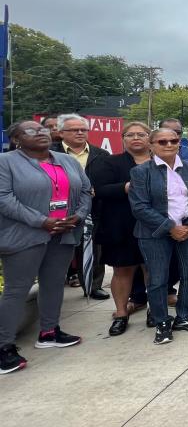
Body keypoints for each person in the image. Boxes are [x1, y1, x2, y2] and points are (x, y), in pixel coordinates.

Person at [1, 121, 90, 375]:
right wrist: (42, 221)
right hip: (26, 235)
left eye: (41, 130)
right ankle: (3, 345)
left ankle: (50, 331)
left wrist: (78, 216)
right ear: (17, 138)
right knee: (17, 290)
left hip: (63, 232)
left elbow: (85, 190)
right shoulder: (6, 162)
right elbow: (4, 198)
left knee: (53, 283)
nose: (39, 133)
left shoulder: (66, 160)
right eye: (30, 131)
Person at [129, 128, 188, 345]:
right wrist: (170, 227)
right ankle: (161, 320)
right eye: (162, 141)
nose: (169, 145)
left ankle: (185, 315)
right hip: (155, 233)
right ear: (151, 145)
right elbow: (139, 207)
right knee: (158, 279)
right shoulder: (141, 172)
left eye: (174, 140)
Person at [88, 121, 152, 336]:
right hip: (120, 225)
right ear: (123, 139)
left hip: (155, 225)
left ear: (149, 138)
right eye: (130, 134)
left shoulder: (161, 161)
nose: (136, 138)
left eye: (141, 134)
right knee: (123, 270)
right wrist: (126, 187)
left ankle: (156, 310)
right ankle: (121, 313)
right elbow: (98, 190)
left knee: (153, 269)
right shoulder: (109, 162)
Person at [53, 113, 109, 297]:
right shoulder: (50, 153)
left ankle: (93, 286)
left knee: (94, 249)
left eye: (83, 129)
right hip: (59, 210)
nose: (79, 133)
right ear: (61, 132)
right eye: (74, 130)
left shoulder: (101, 154)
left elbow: (106, 182)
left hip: (94, 209)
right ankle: (57, 282)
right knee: (59, 249)